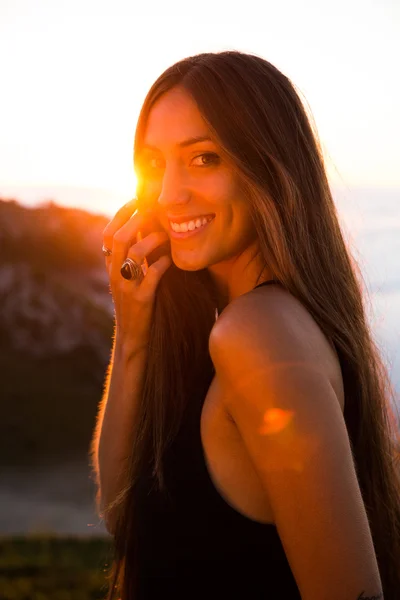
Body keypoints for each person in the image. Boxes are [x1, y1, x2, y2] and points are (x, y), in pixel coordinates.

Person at [90, 51, 400, 600]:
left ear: (269, 169)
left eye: (205, 158)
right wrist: (134, 332)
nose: (168, 195)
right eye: (156, 163)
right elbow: (122, 512)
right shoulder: (255, 324)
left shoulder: (256, 335)